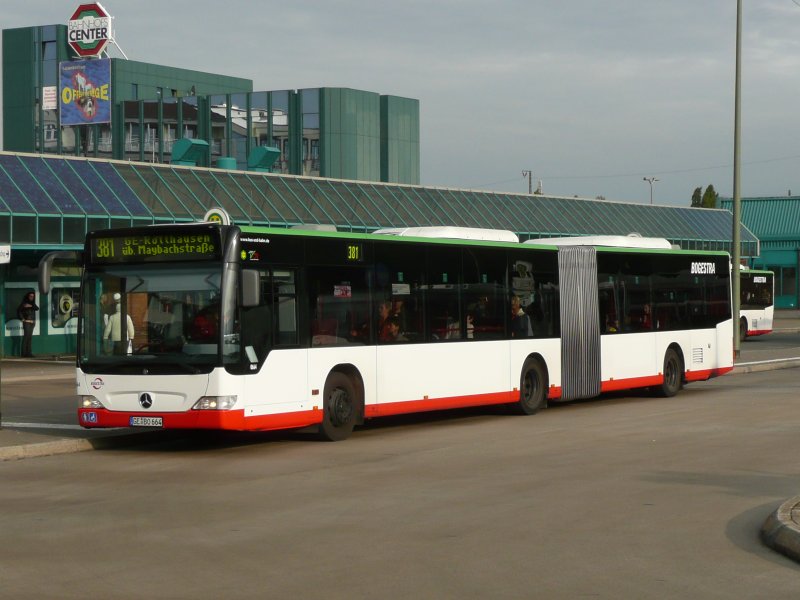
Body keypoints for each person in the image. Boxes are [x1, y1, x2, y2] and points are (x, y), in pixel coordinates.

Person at [17, 290, 38, 357]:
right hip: (27, 322)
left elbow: (37, 308)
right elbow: (18, 311)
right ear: (28, 296)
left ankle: (29, 353)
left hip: (32, 323)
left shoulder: (32, 304)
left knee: (30, 338)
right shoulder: (24, 303)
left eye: (33, 296)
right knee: (26, 337)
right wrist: (22, 319)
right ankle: (23, 354)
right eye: (31, 296)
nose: (32, 297)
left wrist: (30, 306)